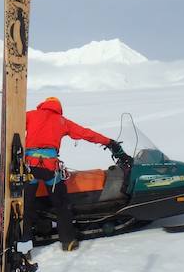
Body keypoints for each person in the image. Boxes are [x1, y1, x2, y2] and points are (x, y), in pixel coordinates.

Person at [23, 97, 121, 251]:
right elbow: (86, 133)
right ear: (58, 108)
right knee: (61, 204)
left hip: (29, 168)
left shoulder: (30, 115)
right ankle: (67, 241)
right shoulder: (61, 121)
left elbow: (12, 127)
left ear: (43, 105)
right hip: (50, 168)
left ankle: (24, 248)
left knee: (26, 206)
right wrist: (108, 142)